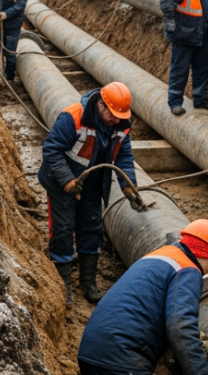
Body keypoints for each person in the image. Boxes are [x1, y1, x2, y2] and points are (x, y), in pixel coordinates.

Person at [38, 83, 144, 304]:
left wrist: (128, 186)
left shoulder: (121, 125)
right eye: (112, 114)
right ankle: (63, 285)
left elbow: (124, 156)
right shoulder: (73, 117)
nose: (115, 120)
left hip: (92, 183)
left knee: (92, 227)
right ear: (100, 104)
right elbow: (51, 150)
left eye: (120, 116)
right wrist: (67, 181)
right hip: (60, 180)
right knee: (63, 228)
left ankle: (88, 282)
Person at [77, 220, 208, 375]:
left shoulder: (162, 255)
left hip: (92, 350)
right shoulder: (188, 269)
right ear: (207, 255)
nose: (206, 271)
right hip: (121, 357)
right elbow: (180, 326)